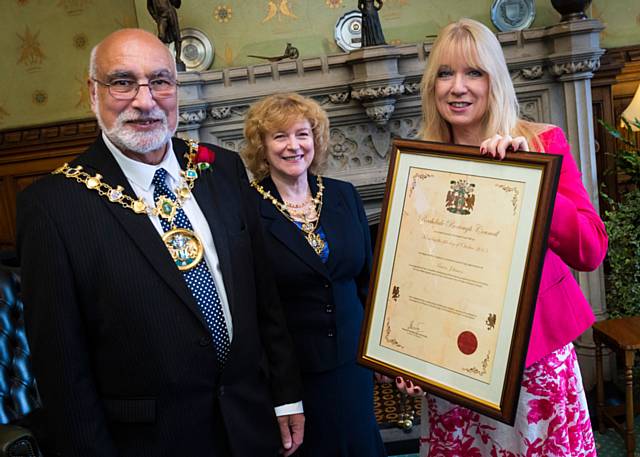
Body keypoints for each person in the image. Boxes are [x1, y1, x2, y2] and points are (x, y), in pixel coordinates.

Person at [17, 29, 304, 457]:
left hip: (252, 425)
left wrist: (285, 394)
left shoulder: (220, 169)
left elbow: (264, 298)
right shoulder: (53, 207)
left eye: (160, 81)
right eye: (122, 81)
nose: (145, 101)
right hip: (150, 442)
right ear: (92, 92)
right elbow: (62, 373)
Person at [396, 18, 607, 457]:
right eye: (445, 73)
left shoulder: (541, 143)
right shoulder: (423, 164)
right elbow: (419, 273)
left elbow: (590, 249)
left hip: (535, 356)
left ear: (495, 79)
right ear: (432, 86)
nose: (458, 87)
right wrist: (405, 352)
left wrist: (532, 179)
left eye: (474, 72)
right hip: (453, 363)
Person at [241, 93, 387, 457]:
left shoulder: (344, 196)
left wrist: (385, 353)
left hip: (353, 366)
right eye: (280, 136)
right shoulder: (245, 209)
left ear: (316, 139)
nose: (294, 146)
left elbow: (369, 283)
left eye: (302, 134)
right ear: (262, 145)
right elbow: (252, 308)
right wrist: (278, 391)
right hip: (295, 376)